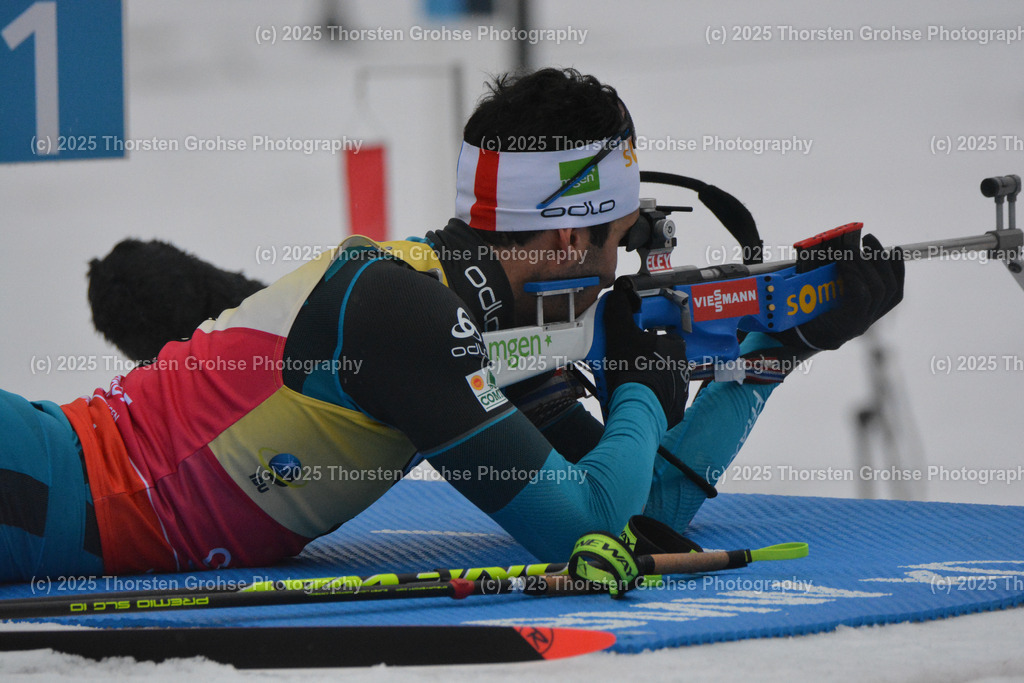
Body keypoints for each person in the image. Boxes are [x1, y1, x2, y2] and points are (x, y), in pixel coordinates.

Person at [1, 68, 903, 582]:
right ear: (567, 228)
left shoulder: (480, 328)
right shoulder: (407, 310)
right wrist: (641, 378)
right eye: (625, 238)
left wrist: (770, 356)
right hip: (43, 488)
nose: (626, 264)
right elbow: (581, 525)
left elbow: (635, 523)